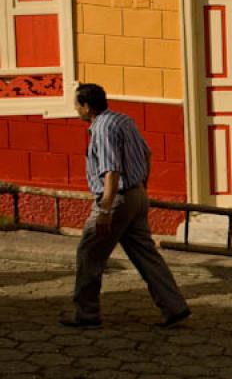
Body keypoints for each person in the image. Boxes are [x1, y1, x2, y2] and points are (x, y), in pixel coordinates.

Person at [59, 83, 191, 329]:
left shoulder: (101, 128)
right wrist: (142, 188)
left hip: (116, 199)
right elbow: (147, 154)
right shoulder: (123, 119)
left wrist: (105, 210)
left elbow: (111, 171)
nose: (75, 109)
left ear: (87, 107)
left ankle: (86, 314)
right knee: (146, 254)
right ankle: (174, 306)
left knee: (89, 253)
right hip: (137, 194)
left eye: (77, 104)